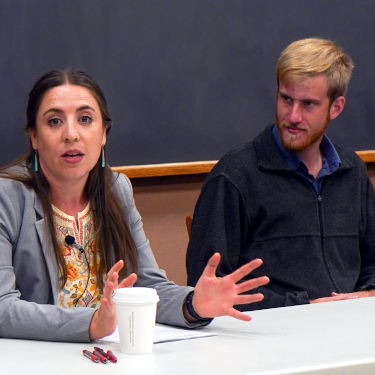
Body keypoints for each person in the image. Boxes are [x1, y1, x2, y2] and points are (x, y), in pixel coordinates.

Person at [0, 69, 269, 342]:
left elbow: (148, 285)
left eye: (85, 119)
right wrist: (91, 323)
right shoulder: (7, 198)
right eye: (55, 121)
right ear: (34, 136)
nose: (71, 134)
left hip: (110, 358)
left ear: (103, 133)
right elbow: (2, 308)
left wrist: (192, 305)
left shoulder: (116, 189)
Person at [186, 37, 375, 310]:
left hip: (350, 329)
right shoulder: (235, 176)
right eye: (286, 99)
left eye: (308, 104)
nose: (293, 116)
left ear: (336, 107)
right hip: (270, 336)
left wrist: (368, 294)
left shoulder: (352, 172)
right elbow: (207, 290)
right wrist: (305, 306)